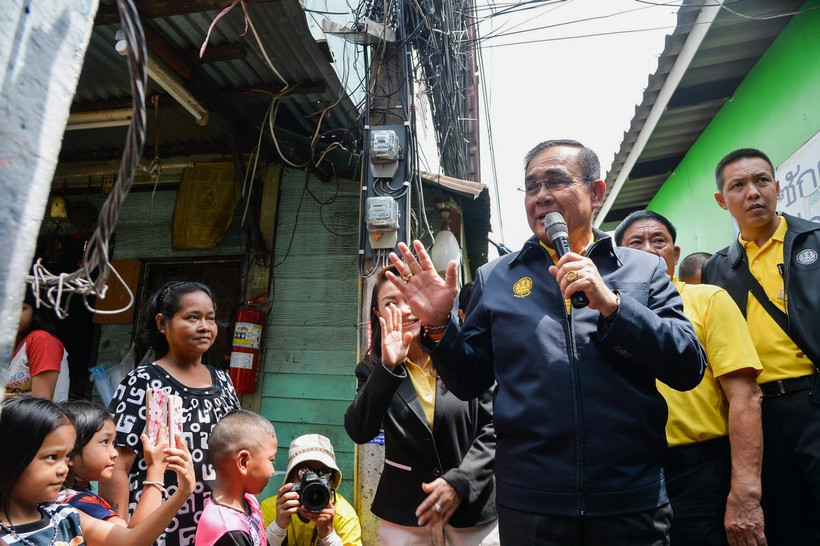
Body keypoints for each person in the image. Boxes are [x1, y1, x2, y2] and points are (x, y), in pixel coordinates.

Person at [386, 139, 706, 544]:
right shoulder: (496, 278)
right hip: (532, 506)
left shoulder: (642, 270)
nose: (541, 196)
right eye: (531, 186)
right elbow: (469, 382)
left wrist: (612, 305)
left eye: (555, 181)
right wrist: (439, 328)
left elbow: (688, 366)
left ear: (596, 191)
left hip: (630, 500)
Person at [614, 210, 765, 545]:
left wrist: (745, 491)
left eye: (659, 241)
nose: (649, 250)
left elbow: (745, 396)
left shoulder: (707, 300)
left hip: (702, 473)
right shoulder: (607, 311)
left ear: (675, 253)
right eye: (635, 243)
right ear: (619, 257)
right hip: (631, 473)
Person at [702, 147, 820, 545]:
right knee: (786, 523)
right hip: (760, 416)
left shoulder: (815, 241)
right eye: (739, 186)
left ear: (777, 186)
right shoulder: (716, 270)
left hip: (815, 398)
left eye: (761, 181)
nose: (753, 192)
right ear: (723, 201)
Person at [345, 266, 498, 545]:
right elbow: (359, 431)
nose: (406, 309)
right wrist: (388, 367)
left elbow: (495, 427)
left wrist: (461, 480)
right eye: (391, 303)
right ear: (378, 315)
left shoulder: (462, 359)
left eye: (411, 298)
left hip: (472, 511)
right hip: (406, 515)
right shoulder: (372, 371)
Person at [100, 281, 241, 545]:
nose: (204, 327)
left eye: (210, 318)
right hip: (156, 519)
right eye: (192, 317)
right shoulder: (143, 380)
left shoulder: (223, 381)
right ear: (163, 323)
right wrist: (119, 528)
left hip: (214, 518)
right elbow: (118, 463)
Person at [0, 396, 198, 546]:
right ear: (10, 456)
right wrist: (155, 471)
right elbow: (135, 532)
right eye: (52, 457)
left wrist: (182, 493)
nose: (63, 467)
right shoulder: (73, 502)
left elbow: (132, 540)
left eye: (66, 456)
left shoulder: (65, 516)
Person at [57, 400, 196, 528]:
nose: (114, 453)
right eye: (104, 442)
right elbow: (135, 538)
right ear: (70, 451)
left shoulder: (63, 496)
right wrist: (156, 470)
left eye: (113, 443)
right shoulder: (79, 502)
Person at [261, 433, 362, 546]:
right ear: (290, 479)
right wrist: (278, 527)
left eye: (323, 472)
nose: (313, 480)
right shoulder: (274, 510)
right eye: (303, 472)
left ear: (332, 481)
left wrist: (329, 535)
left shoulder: (343, 515)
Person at [195, 409, 277, 546]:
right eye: (271, 460)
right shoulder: (229, 530)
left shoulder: (249, 501)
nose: (273, 470)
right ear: (243, 462)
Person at [5, 291, 70, 401]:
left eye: (21, 308)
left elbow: (41, 403)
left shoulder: (42, 340)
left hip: (39, 418)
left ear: (34, 312)